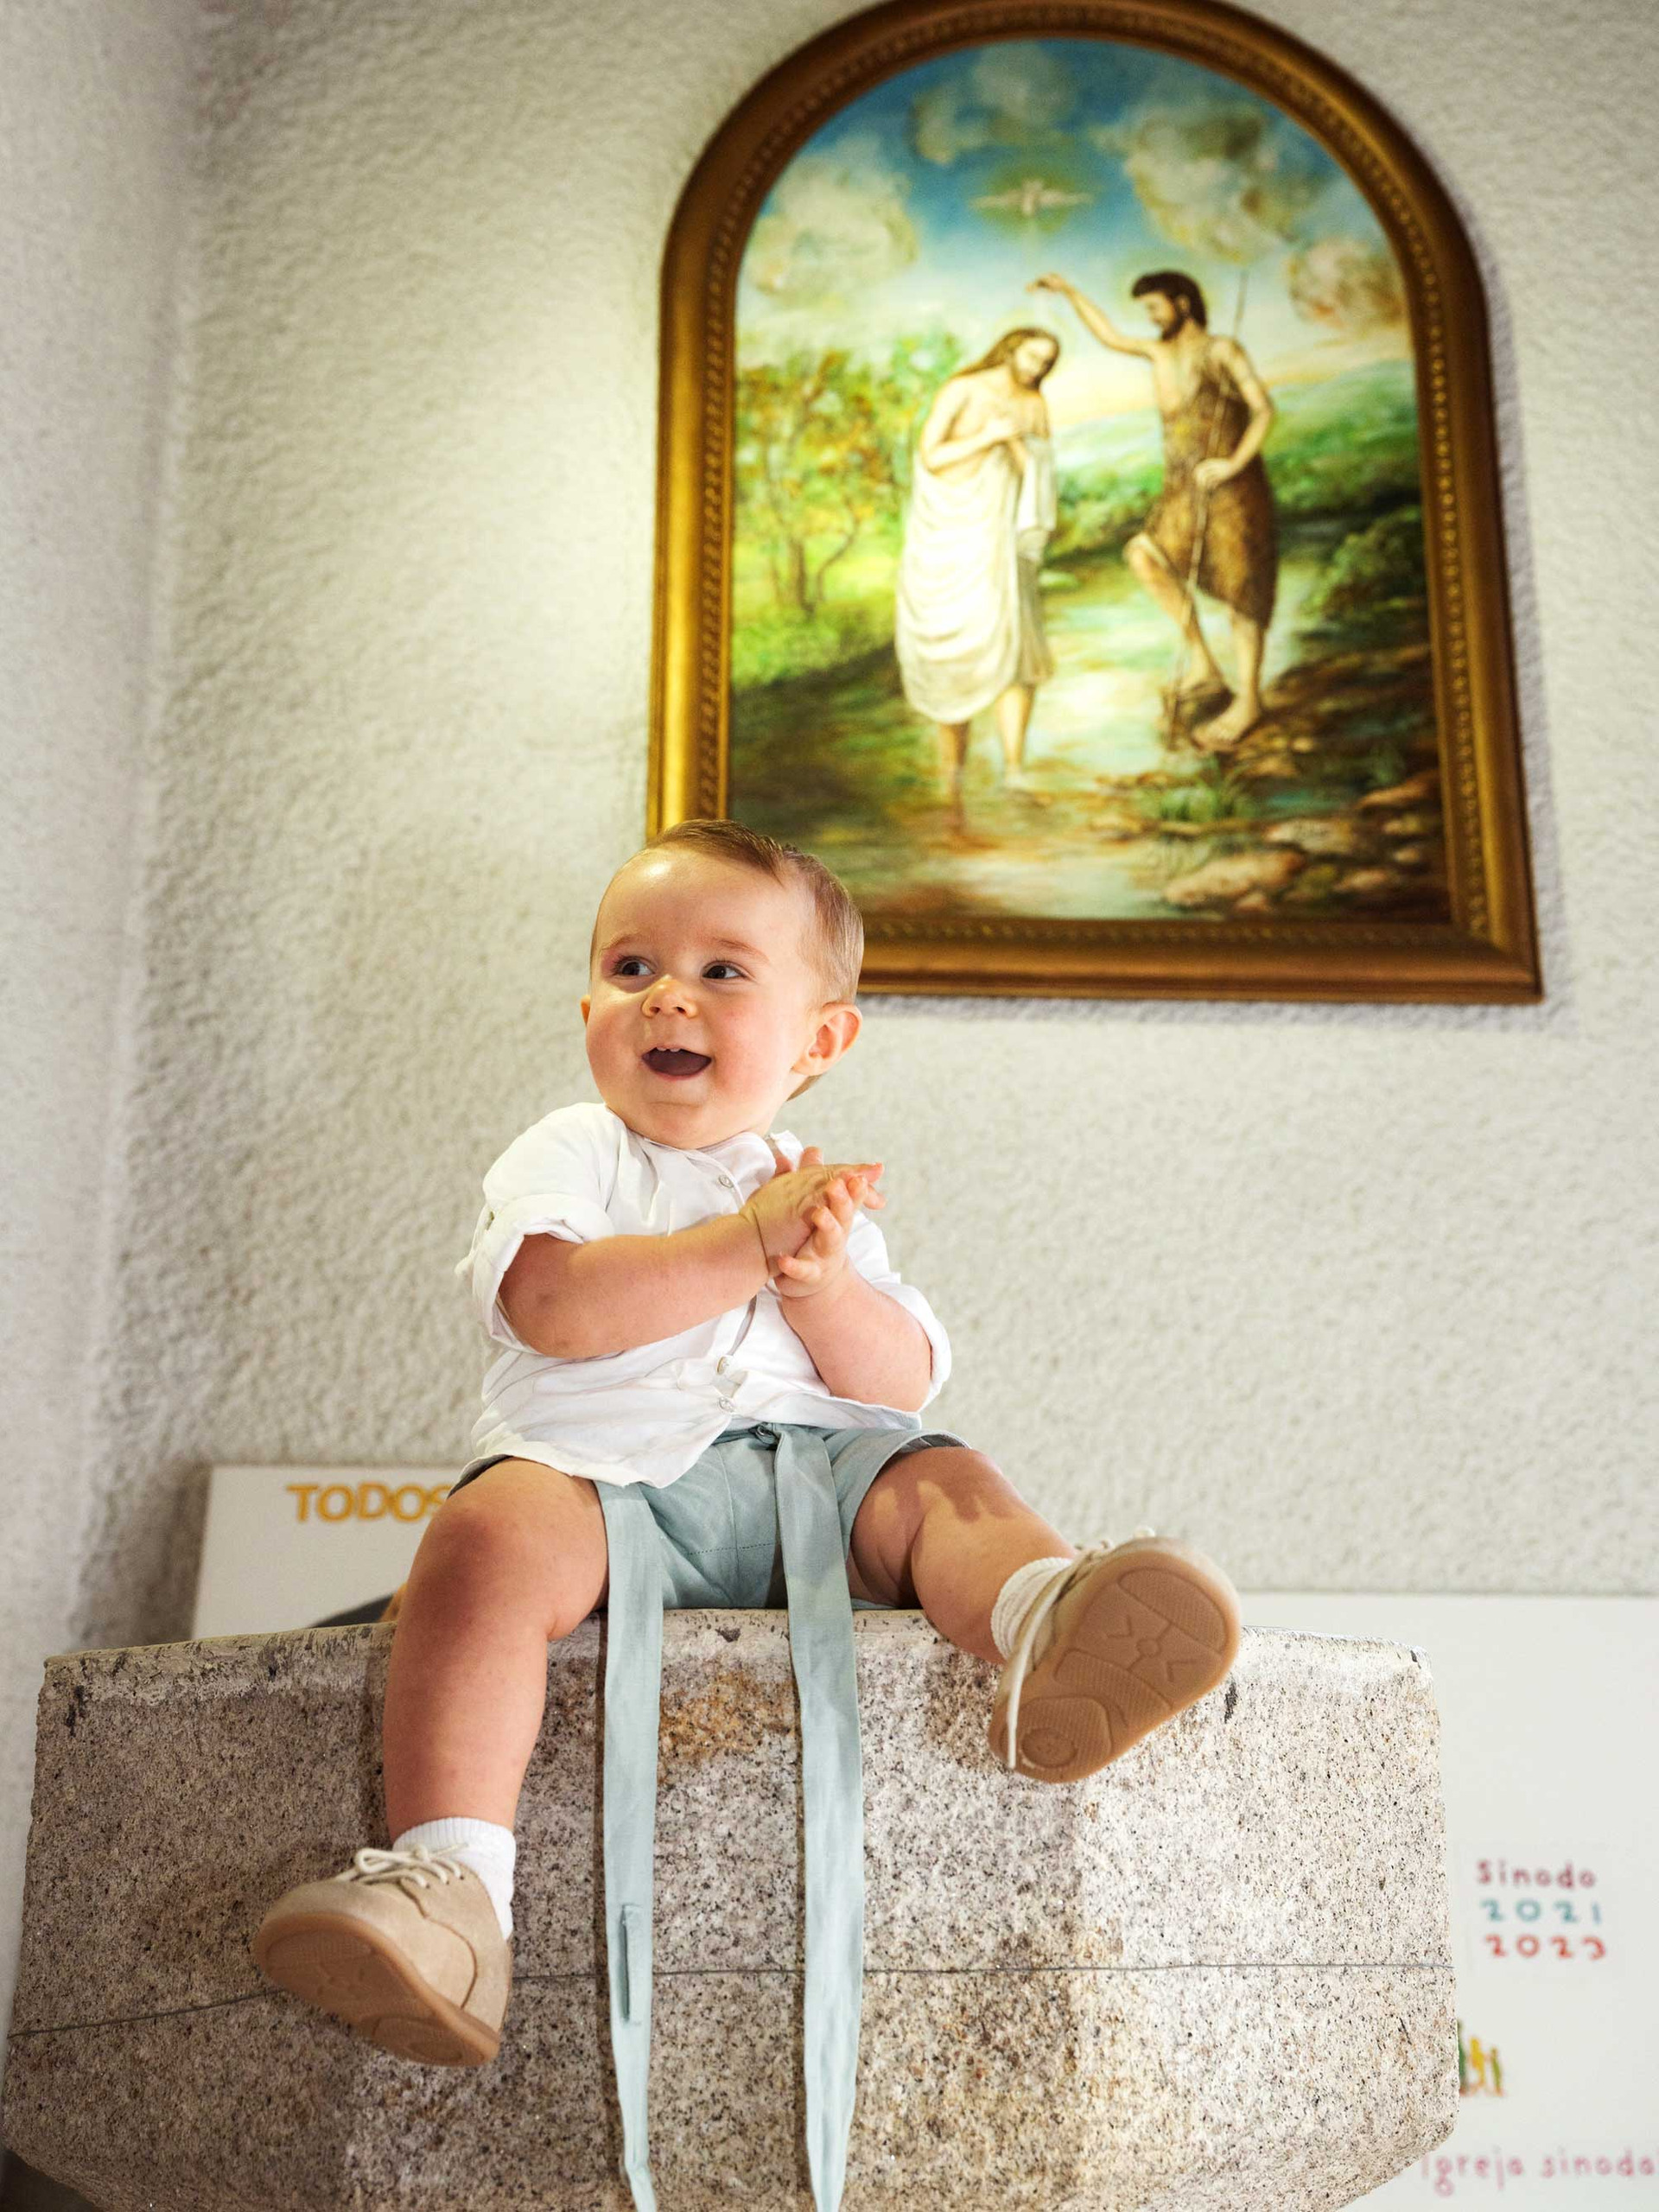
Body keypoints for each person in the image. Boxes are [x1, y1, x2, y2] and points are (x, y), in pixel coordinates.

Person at [251, 817, 1240, 2212]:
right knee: (481, 1540)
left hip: (816, 1490)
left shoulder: (823, 1198)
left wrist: (826, 1280)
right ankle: (453, 1894)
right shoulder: (571, 1151)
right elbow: (555, 1306)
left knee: (941, 1478)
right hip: (604, 1485)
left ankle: (1043, 1624)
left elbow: (893, 1377)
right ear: (588, 1009)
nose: (670, 995)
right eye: (634, 964)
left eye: (724, 972)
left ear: (820, 1040)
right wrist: (749, 1243)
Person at [1033, 269, 1278, 749]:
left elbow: (1264, 409)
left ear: (1183, 303)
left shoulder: (1222, 351)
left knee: (1241, 588)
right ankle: (1204, 664)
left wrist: (1232, 464)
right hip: (1182, 488)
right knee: (1144, 554)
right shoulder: (1158, 352)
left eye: (1154, 306)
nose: (1149, 317)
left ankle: (1248, 699)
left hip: (1232, 486)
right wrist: (1070, 290)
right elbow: (1108, 336)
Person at [894, 328, 1061, 817]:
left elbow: (1036, 470)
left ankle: (1014, 772)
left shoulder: (1035, 404)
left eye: (1048, 362)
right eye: (1033, 356)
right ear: (1011, 347)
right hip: (954, 539)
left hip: (1003, 540)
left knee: (1017, 650)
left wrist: (1019, 450)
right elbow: (931, 455)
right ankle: (952, 782)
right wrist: (989, 435)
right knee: (959, 654)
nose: (1038, 368)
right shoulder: (963, 389)